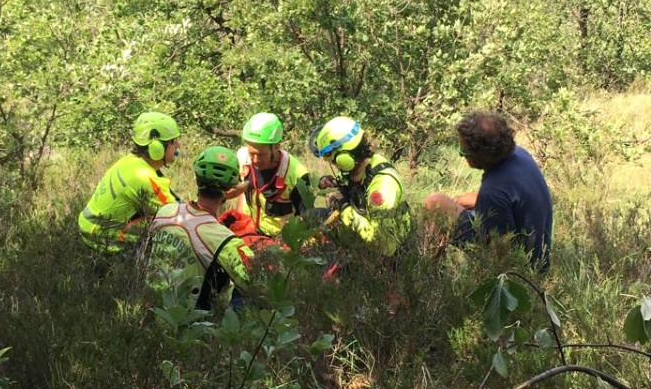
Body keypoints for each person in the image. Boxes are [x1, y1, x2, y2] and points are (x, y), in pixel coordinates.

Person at [424, 110, 553, 270]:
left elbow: (498, 252)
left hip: (523, 267)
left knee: (435, 202)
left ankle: (428, 270)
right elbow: (511, 199)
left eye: (463, 151)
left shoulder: (493, 192)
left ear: (479, 155)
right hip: (537, 252)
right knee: (461, 200)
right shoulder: (520, 155)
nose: (460, 154)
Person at [146, 146, 252, 310]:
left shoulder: (165, 212)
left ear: (196, 180)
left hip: (153, 307)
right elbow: (254, 280)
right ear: (230, 188)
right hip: (190, 322)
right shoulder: (224, 239)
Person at [78, 110, 181, 254]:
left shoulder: (130, 161)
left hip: (89, 228)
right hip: (102, 239)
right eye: (173, 141)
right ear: (157, 148)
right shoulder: (144, 178)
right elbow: (179, 216)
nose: (178, 145)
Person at [308, 116, 410, 256]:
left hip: (387, 252)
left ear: (345, 156)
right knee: (312, 216)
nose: (332, 164)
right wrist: (332, 183)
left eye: (334, 161)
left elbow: (385, 245)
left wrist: (344, 208)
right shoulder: (361, 166)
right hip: (362, 224)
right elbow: (355, 185)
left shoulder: (383, 186)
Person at [226, 112, 311, 239]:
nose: (255, 160)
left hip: (280, 241)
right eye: (251, 153)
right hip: (249, 233)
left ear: (276, 147)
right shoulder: (242, 157)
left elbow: (305, 219)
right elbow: (240, 194)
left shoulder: (297, 175)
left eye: (261, 155)